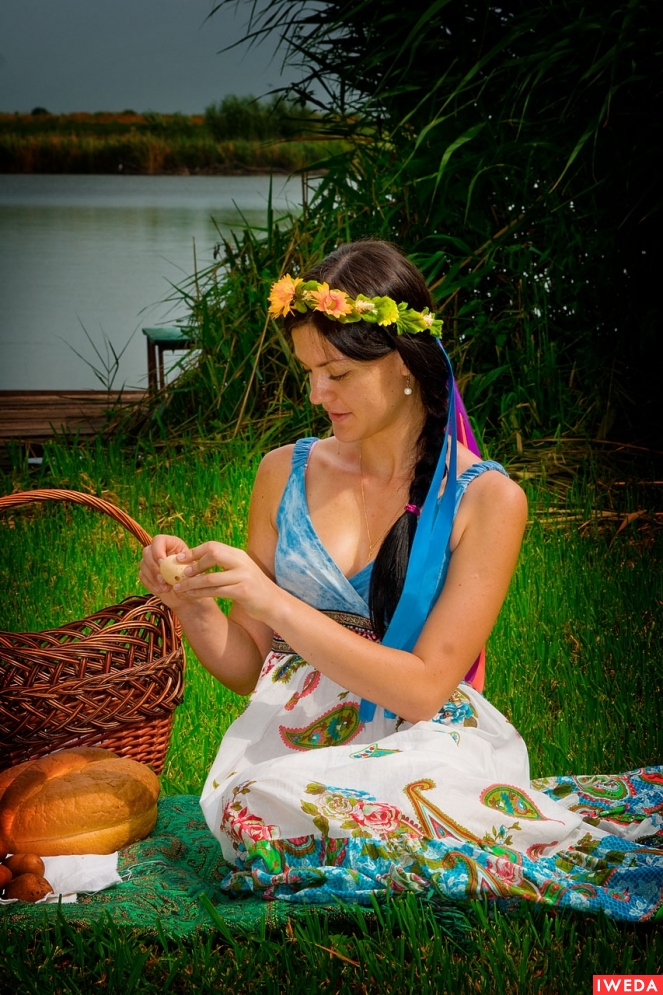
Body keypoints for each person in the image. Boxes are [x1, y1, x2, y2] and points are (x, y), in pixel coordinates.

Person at [140, 240, 663, 919]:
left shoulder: (485, 499)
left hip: (423, 736)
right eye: (308, 372)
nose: (317, 394)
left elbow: (421, 688)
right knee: (254, 809)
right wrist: (189, 601)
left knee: (288, 814)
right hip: (291, 742)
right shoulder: (282, 473)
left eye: (336, 372)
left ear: (405, 362)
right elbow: (246, 667)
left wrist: (274, 601)